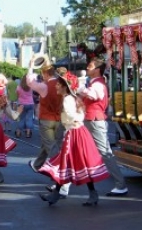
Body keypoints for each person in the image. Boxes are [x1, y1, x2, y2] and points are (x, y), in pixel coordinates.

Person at [38, 68, 109, 206]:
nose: (57, 86)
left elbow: (72, 115)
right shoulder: (72, 98)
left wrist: (73, 120)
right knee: (76, 162)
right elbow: (80, 114)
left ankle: (58, 194)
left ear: (65, 86)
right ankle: (61, 193)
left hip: (75, 132)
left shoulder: (67, 100)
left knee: (70, 162)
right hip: (77, 132)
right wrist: (76, 120)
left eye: (59, 84)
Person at [78, 57, 128, 196]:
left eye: (90, 66)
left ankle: (120, 184)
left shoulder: (98, 84)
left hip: (94, 120)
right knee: (77, 149)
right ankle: (62, 185)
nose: (87, 68)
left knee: (105, 152)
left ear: (97, 70)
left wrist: (80, 87)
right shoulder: (95, 83)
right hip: (90, 119)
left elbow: (95, 95)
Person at [26, 57, 70, 197]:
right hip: (59, 120)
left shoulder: (45, 86)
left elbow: (30, 82)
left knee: (52, 148)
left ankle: (59, 178)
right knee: (51, 144)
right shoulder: (61, 85)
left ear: (46, 74)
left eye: (43, 74)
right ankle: (37, 164)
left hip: (46, 119)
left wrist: (31, 66)